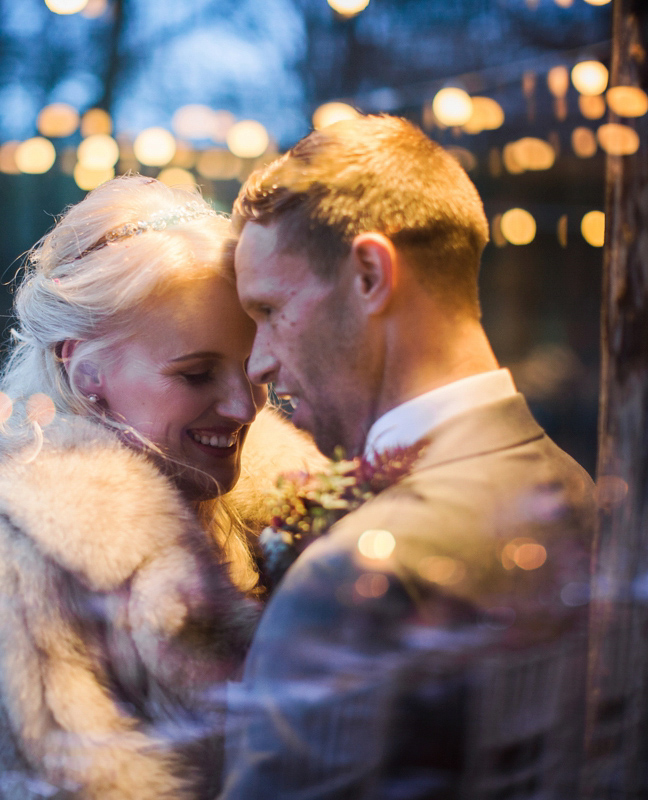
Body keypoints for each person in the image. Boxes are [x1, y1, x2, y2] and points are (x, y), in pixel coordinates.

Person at [0, 175, 325, 800]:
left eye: (250, 366)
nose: (244, 406)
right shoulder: (2, 570)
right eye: (195, 373)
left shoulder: (305, 507)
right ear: (86, 369)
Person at [221, 116, 596, 798]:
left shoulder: (357, 577)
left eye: (270, 309)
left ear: (369, 273)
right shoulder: (578, 488)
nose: (259, 361)